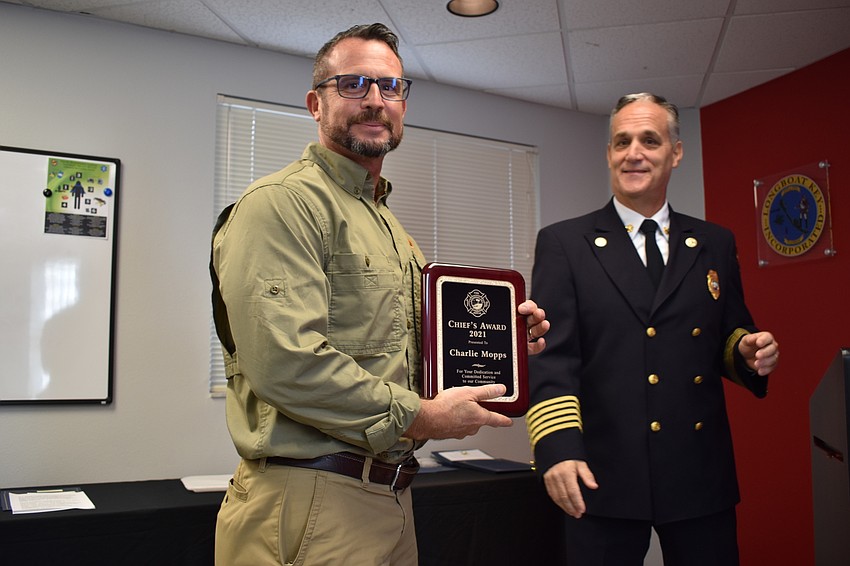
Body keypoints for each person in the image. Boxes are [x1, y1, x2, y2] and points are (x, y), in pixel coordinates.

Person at [210, 23, 549, 566]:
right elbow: (287, 363)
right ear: (315, 105)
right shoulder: (281, 204)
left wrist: (503, 345)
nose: (375, 100)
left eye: (390, 87)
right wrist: (425, 417)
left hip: (388, 499)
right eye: (353, 84)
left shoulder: (391, 228)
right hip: (312, 502)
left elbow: (410, 356)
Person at [525, 93, 779, 566]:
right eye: (621, 141)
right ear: (608, 154)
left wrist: (746, 350)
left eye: (649, 140)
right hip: (601, 469)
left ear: (675, 153)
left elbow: (729, 331)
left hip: (699, 469)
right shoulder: (565, 243)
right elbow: (553, 356)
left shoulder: (714, 243)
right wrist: (558, 449)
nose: (633, 153)